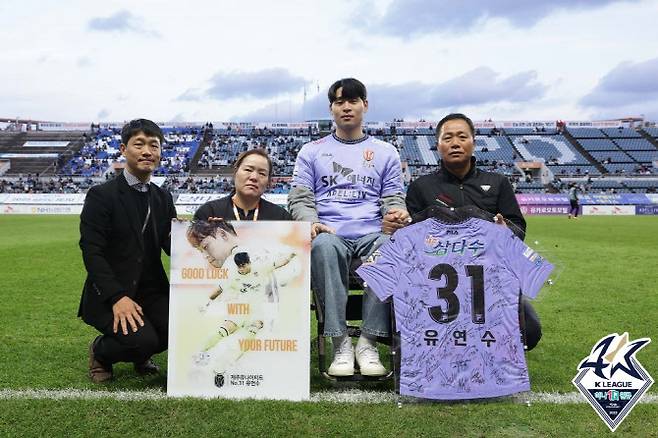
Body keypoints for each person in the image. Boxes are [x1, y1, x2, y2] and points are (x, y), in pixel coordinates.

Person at [288, 78, 408, 376]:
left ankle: (368, 342)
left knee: (389, 246)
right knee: (323, 247)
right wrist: (310, 223)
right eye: (340, 101)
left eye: (353, 101)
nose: (346, 107)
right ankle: (340, 343)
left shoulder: (386, 151)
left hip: (372, 234)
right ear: (331, 108)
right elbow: (300, 197)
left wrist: (396, 214)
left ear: (364, 105)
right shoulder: (311, 151)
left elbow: (394, 197)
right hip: (330, 234)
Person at [400, 113, 542, 350]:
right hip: (439, 278)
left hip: (489, 275)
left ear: (473, 142)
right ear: (438, 145)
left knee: (529, 331)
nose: (455, 143)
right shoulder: (420, 187)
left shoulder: (497, 183)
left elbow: (518, 226)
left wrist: (506, 231)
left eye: (462, 136)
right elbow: (412, 236)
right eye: (448, 138)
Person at [78, 119, 177, 383]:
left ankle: (141, 349)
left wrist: (201, 235)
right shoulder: (101, 195)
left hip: (151, 290)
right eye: (139, 144)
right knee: (141, 342)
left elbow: (172, 245)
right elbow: (92, 251)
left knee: (178, 329)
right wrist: (116, 297)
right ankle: (100, 351)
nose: (147, 151)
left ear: (159, 153)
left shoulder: (163, 197)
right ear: (124, 149)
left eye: (154, 145)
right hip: (113, 292)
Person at [194, 149, 291, 222]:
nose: (254, 177)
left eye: (262, 173)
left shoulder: (281, 218)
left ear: (269, 181)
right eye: (248, 170)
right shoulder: (208, 212)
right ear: (235, 172)